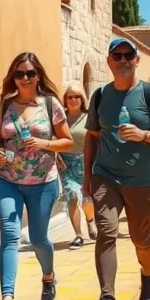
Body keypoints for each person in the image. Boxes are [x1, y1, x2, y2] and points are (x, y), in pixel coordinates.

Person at [84, 38, 150, 300]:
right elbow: (92, 136)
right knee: (106, 233)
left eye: (129, 55)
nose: (123, 60)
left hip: (142, 180)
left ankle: (148, 275)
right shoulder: (100, 96)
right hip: (106, 176)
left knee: (141, 239)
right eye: (118, 56)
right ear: (109, 62)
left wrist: (144, 135)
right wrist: (88, 176)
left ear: (137, 60)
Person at [0, 53, 73, 300]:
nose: (25, 78)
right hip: (7, 179)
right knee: (10, 235)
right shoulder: (5, 105)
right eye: (20, 74)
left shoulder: (51, 105)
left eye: (30, 73)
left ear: (38, 75)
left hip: (42, 182)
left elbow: (67, 142)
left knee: (38, 239)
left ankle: (48, 276)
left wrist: (44, 144)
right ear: (13, 76)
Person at [60, 83, 98, 249]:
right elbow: (53, 137)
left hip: (86, 162)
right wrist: (55, 155)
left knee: (87, 199)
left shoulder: (89, 117)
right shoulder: (59, 118)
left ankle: (91, 220)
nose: (73, 100)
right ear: (65, 100)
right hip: (66, 163)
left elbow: (96, 139)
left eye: (77, 96)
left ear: (82, 99)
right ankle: (78, 235)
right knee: (72, 195)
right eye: (70, 97)